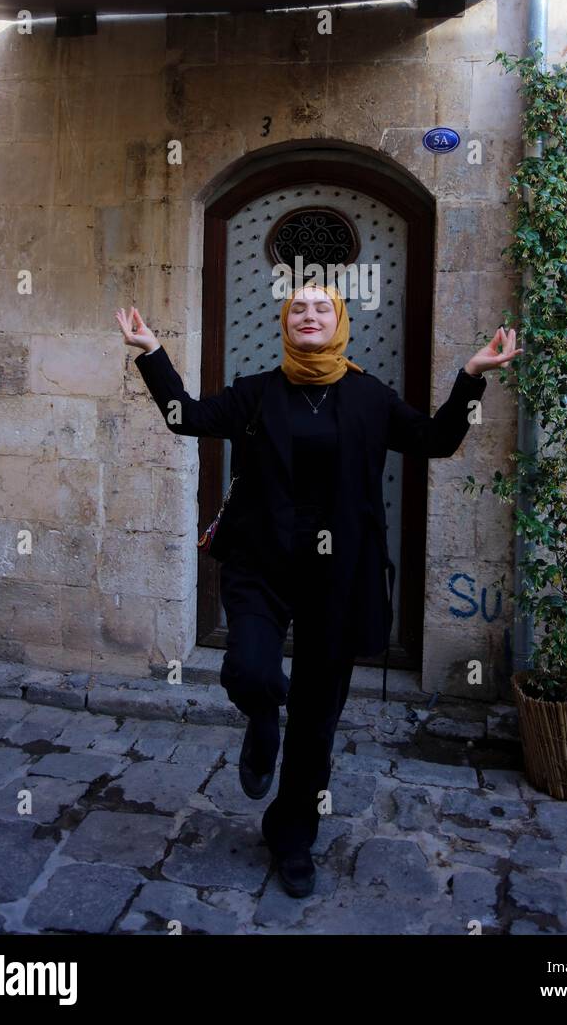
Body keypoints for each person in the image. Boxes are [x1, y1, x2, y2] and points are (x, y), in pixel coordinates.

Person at [116, 286, 522, 898]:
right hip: (261, 564)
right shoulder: (256, 391)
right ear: (285, 322)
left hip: (339, 574)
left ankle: (292, 835)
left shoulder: (368, 395)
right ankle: (261, 719)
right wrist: (152, 353)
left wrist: (471, 377)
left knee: (316, 718)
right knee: (251, 673)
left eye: (321, 308)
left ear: (339, 321)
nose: (309, 316)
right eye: (298, 308)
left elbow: (437, 440)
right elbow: (188, 419)